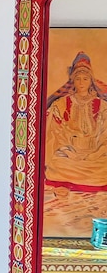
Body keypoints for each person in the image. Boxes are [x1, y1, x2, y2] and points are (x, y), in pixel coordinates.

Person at [45, 51, 107, 190]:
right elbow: (56, 133)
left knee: (104, 167)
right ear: (73, 81)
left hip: (96, 156)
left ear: (91, 81)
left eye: (85, 79)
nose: (81, 82)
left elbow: (105, 135)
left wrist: (95, 154)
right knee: (57, 164)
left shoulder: (102, 106)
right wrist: (69, 152)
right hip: (69, 155)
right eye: (78, 79)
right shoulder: (62, 103)